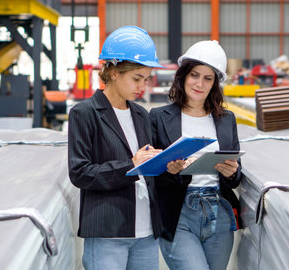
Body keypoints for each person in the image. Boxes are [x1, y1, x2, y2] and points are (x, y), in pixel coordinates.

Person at [68, 26, 164, 270]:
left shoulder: (141, 114)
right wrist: (131, 164)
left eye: (146, 79)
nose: (142, 86)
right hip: (108, 233)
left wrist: (166, 164)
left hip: (146, 233)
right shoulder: (84, 113)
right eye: (136, 78)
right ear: (112, 73)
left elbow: (146, 167)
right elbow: (80, 173)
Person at [150, 40, 243, 270]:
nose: (199, 83)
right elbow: (151, 173)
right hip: (178, 213)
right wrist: (170, 170)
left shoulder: (226, 119)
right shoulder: (159, 117)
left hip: (218, 213)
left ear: (215, 83)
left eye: (207, 78)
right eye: (194, 75)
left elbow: (235, 176)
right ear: (183, 76)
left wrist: (232, 172)